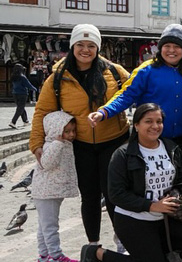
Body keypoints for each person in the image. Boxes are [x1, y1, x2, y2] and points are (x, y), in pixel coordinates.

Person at [78, 103, 182, 262]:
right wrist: (152, 206)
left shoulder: (171, 147)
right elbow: (116, 194)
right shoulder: (122, 155)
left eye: (159, 121)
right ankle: (96, 253)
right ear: (136, 125)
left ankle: (164, 254)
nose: (155, 126)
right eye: (148, 121)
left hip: (166, 218)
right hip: (134, 220)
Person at [30, 24, 130, 247]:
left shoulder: (114, 72)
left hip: (114, 142)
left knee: (115, 195)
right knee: (90, 197)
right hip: (81, 145)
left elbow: (135, 91)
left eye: (91, 45)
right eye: (80, 45)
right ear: (72, 46)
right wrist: (36, 143)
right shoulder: (58, 77)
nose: (86, 50)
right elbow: (42, 110)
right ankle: (93, 246)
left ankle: (122, 243)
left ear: (98, 48)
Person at [89, 24, 182, 178]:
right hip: (151, 140)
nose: (171, 50)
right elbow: (126, 95)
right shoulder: (146, 70)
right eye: (167, 46)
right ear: (160, 48)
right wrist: (104, 112)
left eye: (177, 46)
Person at [30, 110, 80, 262]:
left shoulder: (61, 144)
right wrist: (57, 143)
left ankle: (44, 256)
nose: (71, 135)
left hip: (48, 192)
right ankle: (56, 257)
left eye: (73, 131)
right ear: (55, 130)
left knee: (44, 226)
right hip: (47, 193)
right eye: (67, 131)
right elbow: (47, 163)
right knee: (50, 226)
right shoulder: (52, 145)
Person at [10, 63, 37, 129]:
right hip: (22, 94)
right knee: (20, 108)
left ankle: (25, 121)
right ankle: (13, 122)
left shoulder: (13, 76)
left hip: (15, 93)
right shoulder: (22, 77)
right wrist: (35, 89)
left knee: (21, 107)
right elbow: (28, 85)